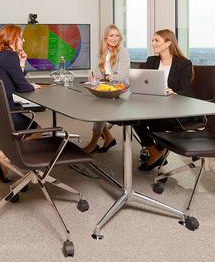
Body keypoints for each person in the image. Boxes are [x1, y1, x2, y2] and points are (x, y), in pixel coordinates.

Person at [0, 24, 41, 180]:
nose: (23, 40)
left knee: (27, 128)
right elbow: (22, 86)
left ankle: (1, 162)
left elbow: (14, 78)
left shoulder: (0, 56)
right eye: (21, 37)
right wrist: (34, 86)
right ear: (13, 39)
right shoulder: (10, 56)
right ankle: (0, 157)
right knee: (36, 131)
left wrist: (22, 63)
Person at [133, 29, 194, 171]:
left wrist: (174, 92)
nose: (153, 43)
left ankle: (157, 154)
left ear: (168, 43)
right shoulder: (152, 61)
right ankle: (155, 153)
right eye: (152, 40)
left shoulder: (184, 64)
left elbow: (186, 91)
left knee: (156, 120)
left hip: (176, 108)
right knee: (132, 118)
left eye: (157, 40)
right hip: (154, 105)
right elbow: (143, 82)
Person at [82, 25, 129, 153]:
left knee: (99, 108)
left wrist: (107, 77)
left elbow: (121, 75)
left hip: (120, 89)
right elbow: (97, 73)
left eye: (117, 35)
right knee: (94, 104)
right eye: (111, 35)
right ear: (105, 37)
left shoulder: (123, 52)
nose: (114, 38)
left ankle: (93, 143)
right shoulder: (102, 52)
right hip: (106, 88)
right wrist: (93, 77)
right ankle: (108, 138)